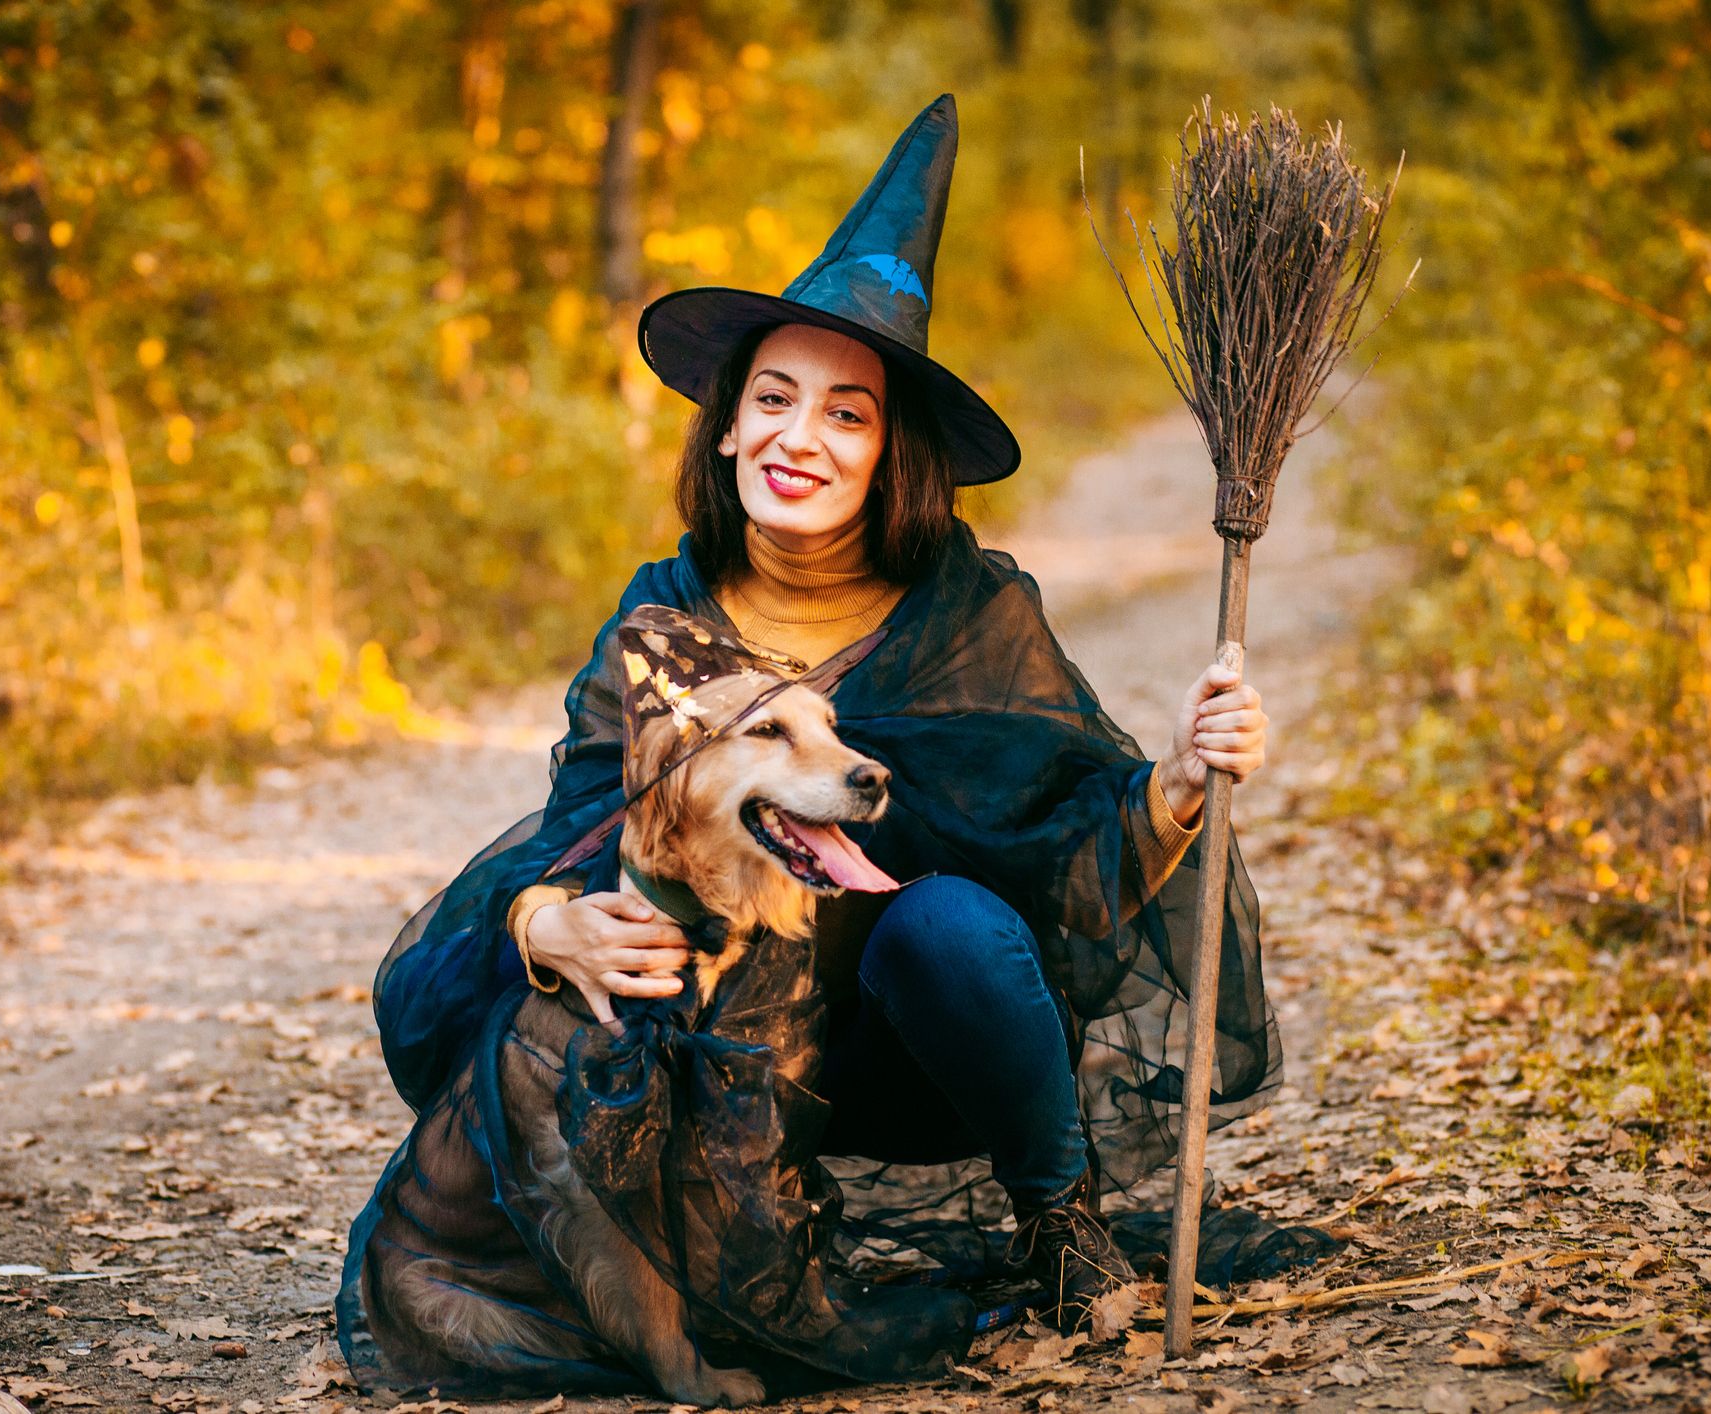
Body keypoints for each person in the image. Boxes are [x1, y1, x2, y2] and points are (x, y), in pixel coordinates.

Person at [339, 95, 1301, 1394]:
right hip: (722, 1067)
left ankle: (1057, 1219)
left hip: (904, 1051)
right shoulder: (659, 619)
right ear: (726, 423)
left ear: (889, 451)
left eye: (846, 413)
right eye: (773, 398)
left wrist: (1181, 779)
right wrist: (542, 923)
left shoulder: (973, 611)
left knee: (950, 920)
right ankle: (732, 1235)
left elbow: (1070, 855)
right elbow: (576, 818)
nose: (800, 435)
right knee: (567, 964)